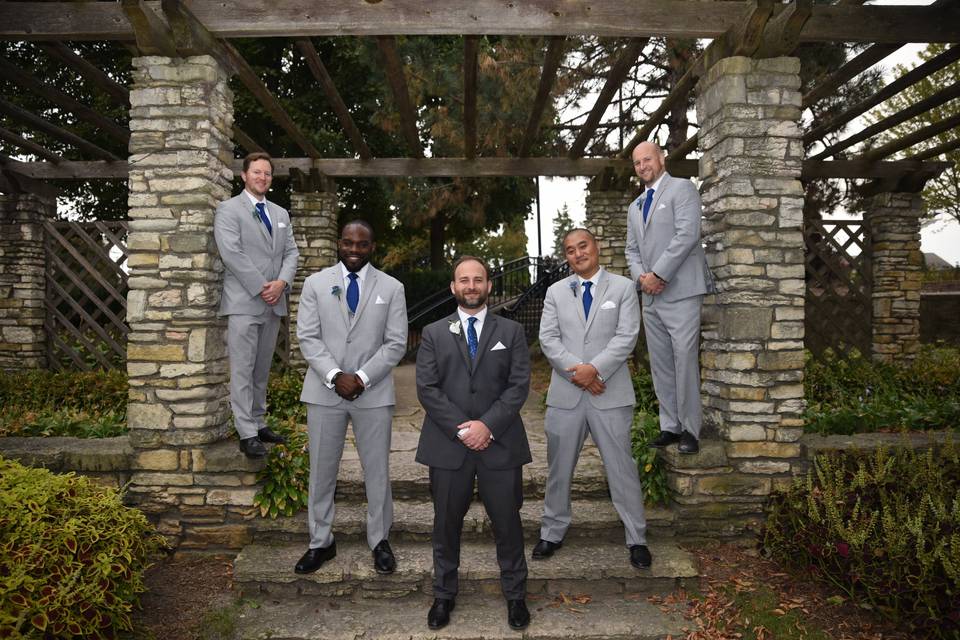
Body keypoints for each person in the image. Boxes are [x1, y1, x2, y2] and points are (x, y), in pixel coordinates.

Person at [415, 256, 532, 632]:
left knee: (508, 524)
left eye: (477, 280)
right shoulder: (433, 333)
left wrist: (488, 426)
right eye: (463, 280)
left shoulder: (511, 332)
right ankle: (443, 595)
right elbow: (427, 389)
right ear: (453, 287)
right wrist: (463, 430)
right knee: (445, 524)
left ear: (488, 286)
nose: (470, 286)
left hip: (500, 444)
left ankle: (516, 596)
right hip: (448, 446)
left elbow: (518, 387)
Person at [293, 220, 407, 576]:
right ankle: (320, 541)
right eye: (348, 243)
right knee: (322, 472)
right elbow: (308, 337)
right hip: (324, 392)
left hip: (372, 394)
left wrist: (360, 377)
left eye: (362, 244)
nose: (354, 250)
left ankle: (379, 540)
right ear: (339, 244)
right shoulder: (315, 284)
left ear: (372, 246)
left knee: (377, 472)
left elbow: (396, 343)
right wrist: (334, 376)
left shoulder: (392, 287)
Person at [533, 228, 651, 570]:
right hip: (566, 395)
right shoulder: (555, 292)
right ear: (566, 257)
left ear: (595, 247)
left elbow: (627, 335)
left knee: (622, 468)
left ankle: (637, 537)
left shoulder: (624, 288)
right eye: (570, 250)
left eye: (582, 246)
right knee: (559, 468)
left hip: (609, 393)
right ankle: (552, 531)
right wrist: (578, 372)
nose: (577, 254)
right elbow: (548, 339)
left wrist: (595, 370)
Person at [625, 141, 713, 455]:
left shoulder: (682, 189)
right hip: (650, 297)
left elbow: (687, 234)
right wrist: (642, 279)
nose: (642, 166)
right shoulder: (634, 207)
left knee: (685, 359)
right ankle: (670, 426)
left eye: (647, 159)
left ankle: (690, 429)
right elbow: (631, 251)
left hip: (682, 292)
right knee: (661, 363)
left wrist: (659, 274)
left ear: (661, 158)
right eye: (637, 163)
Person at [214, 152, 299, 458]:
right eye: (256, 172)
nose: (262, 177)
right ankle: (246, 432)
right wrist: (262, 287)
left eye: (267, 173)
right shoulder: (228, 210)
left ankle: (259, 422)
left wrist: (281, 284)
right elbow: (231, 254)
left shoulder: (280, 213)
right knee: (243, 369)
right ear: (244, 176)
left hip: (273, 302)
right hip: (244, 302)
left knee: (262, 368)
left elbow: (292, 253)